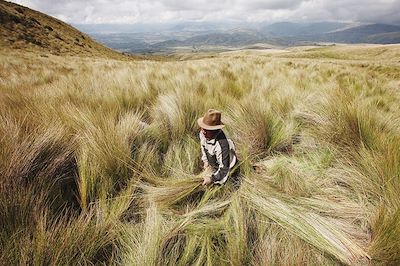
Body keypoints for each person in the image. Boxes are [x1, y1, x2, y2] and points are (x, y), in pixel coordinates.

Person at [197, 109, 239, 187]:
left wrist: (212, 179)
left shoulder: (223, 145)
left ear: (215, 130)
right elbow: (203, 147)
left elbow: (224, 170)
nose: (203, 132)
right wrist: (205, 161)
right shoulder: (203, 133)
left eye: (207, 129)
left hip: (227, 170)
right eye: (203, 128)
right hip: (215, 165)